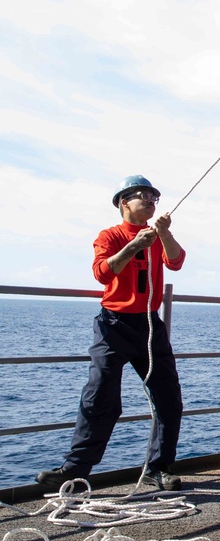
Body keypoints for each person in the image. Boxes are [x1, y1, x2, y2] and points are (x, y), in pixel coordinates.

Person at [36, 175, 186, 491]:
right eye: (142, 195)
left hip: (149, 325)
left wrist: (163, 233)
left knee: (169, 399)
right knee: (100, 397)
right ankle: (75, 472)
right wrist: (133, 246)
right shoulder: (110, 235)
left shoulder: (157, 235)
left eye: (153, 197)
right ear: (123, 202)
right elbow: (103, 273)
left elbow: (176, 262)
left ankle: (157, 468)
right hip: (114, 325)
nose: (150, 200)